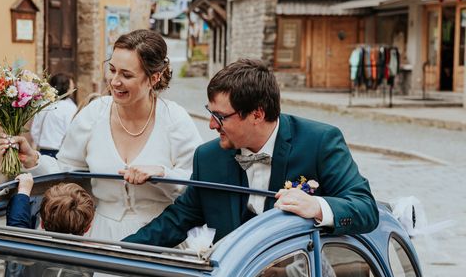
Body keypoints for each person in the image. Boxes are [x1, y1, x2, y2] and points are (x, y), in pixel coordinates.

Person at [0, 29, 203, 277]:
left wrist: (161, 173)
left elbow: (197, 186)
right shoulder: (94, 114)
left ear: (154, 78)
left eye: (127, 74)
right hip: (100, 242)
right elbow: (67, 170)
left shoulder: (176, 121)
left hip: (158, 243)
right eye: (112, 70)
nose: (115, 81)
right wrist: (34, 159)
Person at [124, 58, 379, 247]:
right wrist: (115, 251)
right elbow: (175, 221)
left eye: (220, 117)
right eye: (210, 113)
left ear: (257, 114)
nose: (211, 125)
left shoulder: (320, 142)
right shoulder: (208, 157)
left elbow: (365, 208)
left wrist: (317, 206)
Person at [30, 73, 77, 158]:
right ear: (65, 88)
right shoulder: (70, 107)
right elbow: (72, 132)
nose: (73, 89)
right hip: (61, 153)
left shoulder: (42, 104)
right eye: (71, 87)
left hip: (42, 152)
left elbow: (35, 131)